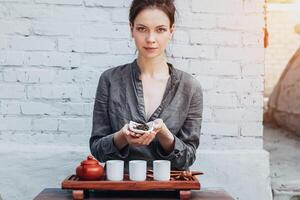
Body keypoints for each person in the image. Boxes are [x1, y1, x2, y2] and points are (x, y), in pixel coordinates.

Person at [89, 0, 203, 170]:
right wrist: (122, 136)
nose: (151, 39)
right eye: (142, 29)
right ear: (131, 29)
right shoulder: (110, 80)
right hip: (118, 188)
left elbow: (187, 158)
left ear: (171, 32)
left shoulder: (190, 87)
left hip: (170, 190)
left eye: (160, 29)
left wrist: (165, 135)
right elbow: (97, 150)